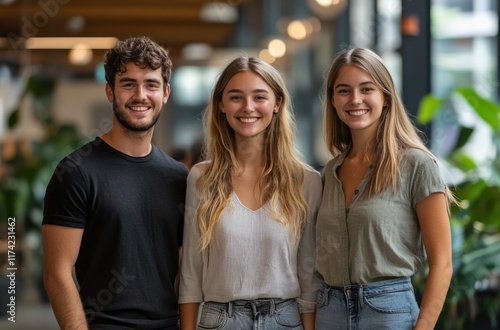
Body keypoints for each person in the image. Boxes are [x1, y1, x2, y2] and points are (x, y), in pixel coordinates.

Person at [42, 36, 188, 329]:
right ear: (110, 91)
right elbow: (57, 273)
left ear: (166, 93)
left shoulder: (180, 178)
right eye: (128, 84)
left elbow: (185, 271)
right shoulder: (76, 172)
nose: (140, 95)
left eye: (151, 84)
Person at [315, 47, 455, 330]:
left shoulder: (416, 165)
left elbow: (442, 262)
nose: (355, 100)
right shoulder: (330, 171)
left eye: (367, 89)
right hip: (329, 311)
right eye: (344, 91)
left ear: (386, 97)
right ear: (332, 99)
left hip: (387, 312)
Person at [178, 56, 322, 330]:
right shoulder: (201, 178)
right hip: (220, 320)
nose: (248, 107)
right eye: (236, 97)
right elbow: (191, 274)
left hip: (285, 320)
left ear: (277, 103)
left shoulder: (306, 181)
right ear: (221, 104)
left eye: (259, 97)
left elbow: (309, 276)